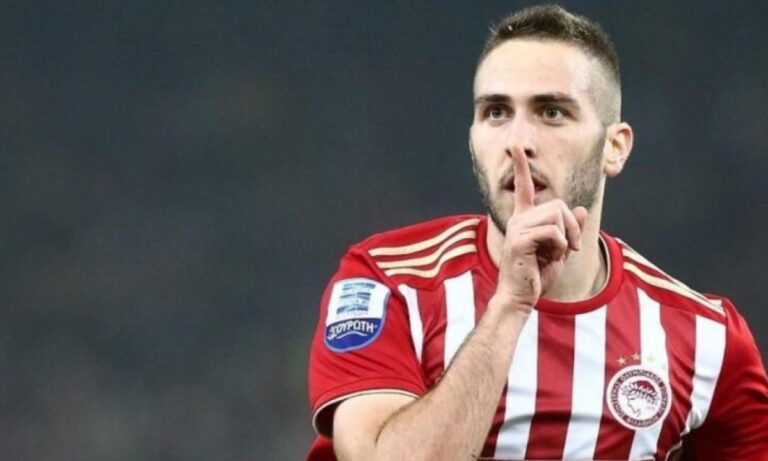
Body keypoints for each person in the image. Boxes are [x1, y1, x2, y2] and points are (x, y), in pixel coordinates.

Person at [306, 5, 768, 460]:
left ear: (614, 147)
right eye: (496, 112)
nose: (517, 142)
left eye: (551, 112)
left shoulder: (708, 341)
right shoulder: (390, 281)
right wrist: (510, 305)